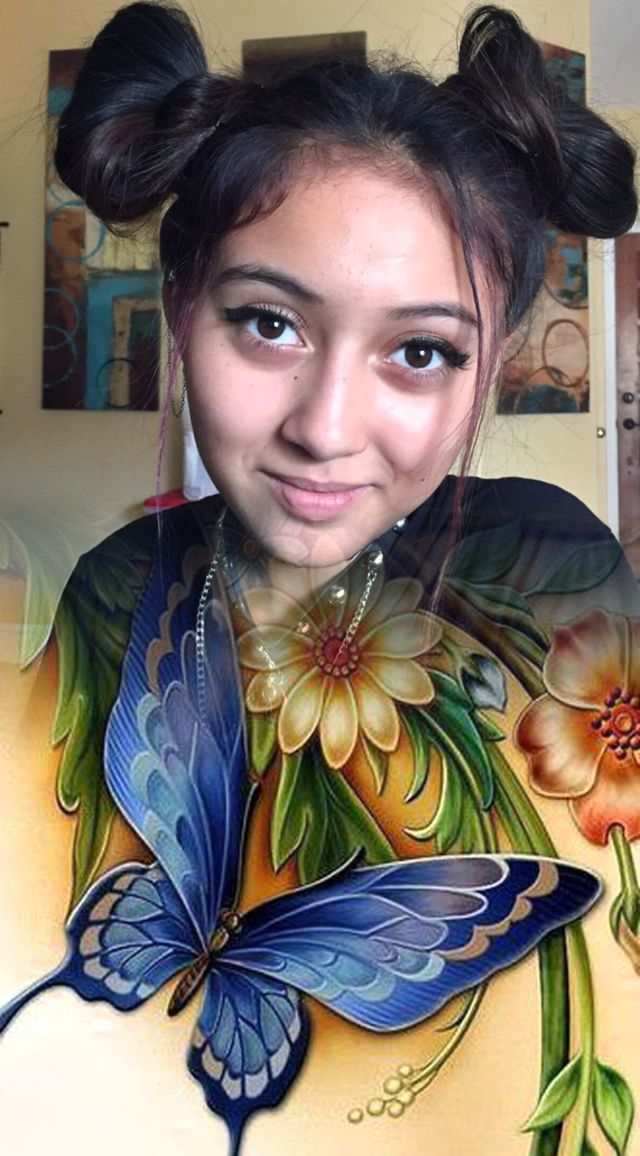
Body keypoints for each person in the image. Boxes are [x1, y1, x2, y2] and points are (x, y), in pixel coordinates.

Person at [2, 4, 640, 1155]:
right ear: (182, 304)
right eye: (268, 324)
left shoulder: (550, 571)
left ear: (491, 366)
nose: (326, 429)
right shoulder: (116, 587)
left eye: (420, 351)